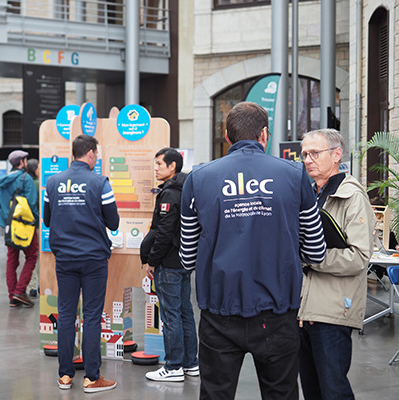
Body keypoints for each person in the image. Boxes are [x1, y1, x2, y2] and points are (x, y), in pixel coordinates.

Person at [179, 101, 326, 400]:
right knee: (281, 394)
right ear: (264, 134)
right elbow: (316, 251)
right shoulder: (295, 175)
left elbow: (186, 257)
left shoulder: (198, 178)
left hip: (218, 315)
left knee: (215, 394)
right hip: (278, 312)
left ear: (227, 134)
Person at [298, 129, 375, 400]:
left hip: (333, 311)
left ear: (336, 154)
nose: (308, 159)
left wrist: (311, 257)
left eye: (314, 153)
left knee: (334, 390)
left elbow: (359, 257)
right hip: (302, 311)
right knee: (312, 390)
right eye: (304, 154)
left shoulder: (352, 196)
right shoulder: (309, 195)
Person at [43, 134, 119, 393]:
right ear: (90, 153)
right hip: (94, 259)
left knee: (66, 314)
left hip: (64, 258)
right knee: (92, 316)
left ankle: (65, 376)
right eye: (96, 154)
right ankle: (92, 377)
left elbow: (47, 220)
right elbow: (114, 222)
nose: (96, 158)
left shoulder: (52, 183)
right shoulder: (100, 183)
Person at [141, 148, 199, 382]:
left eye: (159, 164)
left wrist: (152, 260)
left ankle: (173, 366)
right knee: (185, 313)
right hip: (183, 260)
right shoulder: (184, 189)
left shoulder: (170, 194)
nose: (155, 168)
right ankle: (190, 363)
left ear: (172, 166)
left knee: (171, 316)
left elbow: (164, 232)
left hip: (169, 263)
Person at [0, 150, 39, 307]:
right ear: (22, 162)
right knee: (32, 256)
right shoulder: (25, 179)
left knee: (11, 261)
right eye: (25, 160)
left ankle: (12, 296)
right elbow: (32, 203)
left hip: (9, 226)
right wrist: (36, 222)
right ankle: (20, 292)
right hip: (25, 226)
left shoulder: (4, 182)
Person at [26, 158, 40, 299]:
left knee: (30, 257)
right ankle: (41, 284)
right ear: (36, 170)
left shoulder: (25, 183)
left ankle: (32, 286)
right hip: (38, 224)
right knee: (40, 256)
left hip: (26, 225)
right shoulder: (38, 184)